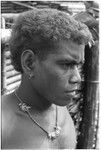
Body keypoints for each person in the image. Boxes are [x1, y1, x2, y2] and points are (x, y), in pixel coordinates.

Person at [1, 8, 93, 149]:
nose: (77, 78)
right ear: (29, 63)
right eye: (66, 64)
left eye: (78, 65)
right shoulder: (3, 125)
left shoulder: (59, 110)